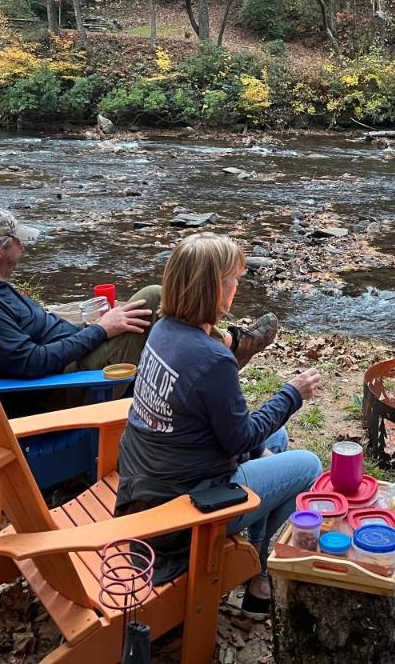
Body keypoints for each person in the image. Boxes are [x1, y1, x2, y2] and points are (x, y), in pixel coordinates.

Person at [115, 232, 323, 621]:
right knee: (308, 464)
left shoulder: (163, 329)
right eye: (234, 278)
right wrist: (292, 393)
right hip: (181, 511)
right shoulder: (212, 358)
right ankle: (257, 573)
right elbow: (240, 437)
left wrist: (254, 446)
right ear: (212, 286)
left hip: (146, 480)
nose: (238, 285)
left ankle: (253, 571)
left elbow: (230, 430)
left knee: (275, 439)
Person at [0, 206, 278, 408]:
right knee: (153, 300)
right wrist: (101, 330)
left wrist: (95, 321)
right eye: (18, 241)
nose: (23, 247)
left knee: (152, 300)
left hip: (73, 359)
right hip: (64, 387)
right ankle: (231, 347)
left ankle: (229, 346)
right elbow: (30, 364)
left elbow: (39, 329)